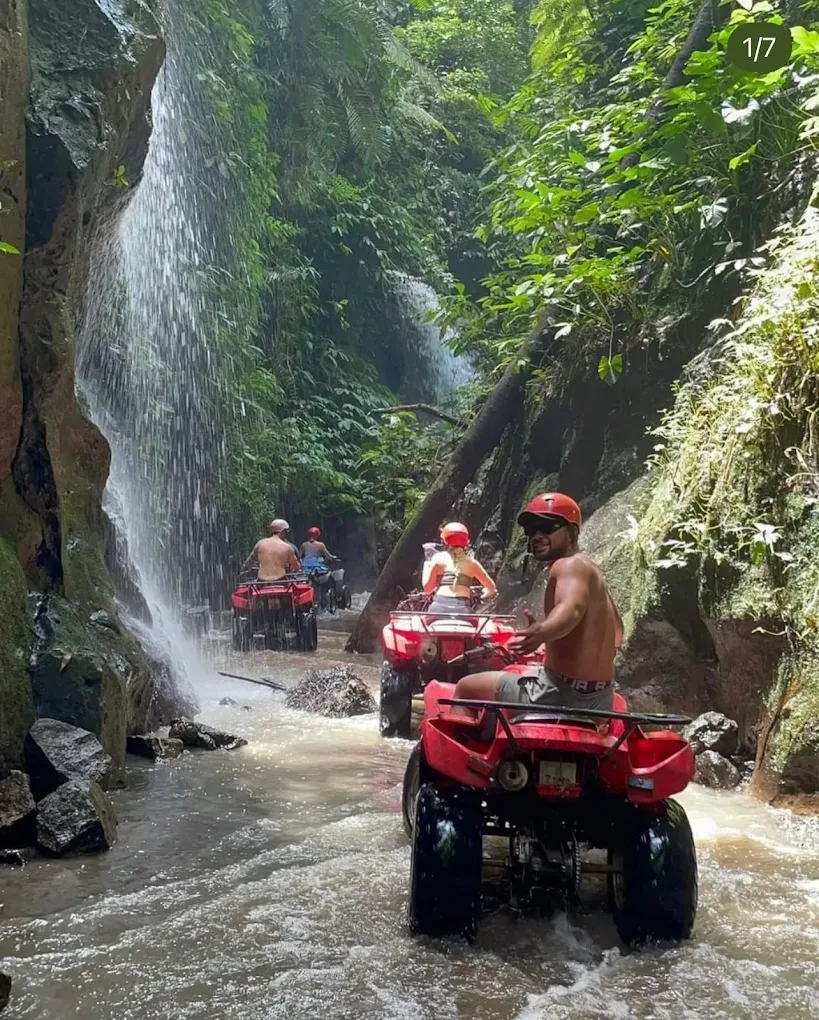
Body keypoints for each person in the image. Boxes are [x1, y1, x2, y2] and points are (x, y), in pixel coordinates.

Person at [451, 493, 623, 715]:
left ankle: (470, 751)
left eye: (547, 527)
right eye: (531, 530)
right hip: (600, 700)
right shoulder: (594, 573)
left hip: (556, 695)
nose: (537, 536)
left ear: (571, 531)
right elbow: (617, 634)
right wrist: (559, 646)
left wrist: (543, 632)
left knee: (465, 687)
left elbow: (571, 609)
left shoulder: (567, 565)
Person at [422, 522, 497, 614]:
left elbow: (428, 589)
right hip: (463, 610)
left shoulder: (438, 558)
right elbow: (491, 588)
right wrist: (485, 593)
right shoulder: (472, 563)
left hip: (439, 608)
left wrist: (427, 566)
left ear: (445, 541)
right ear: (466, 542)